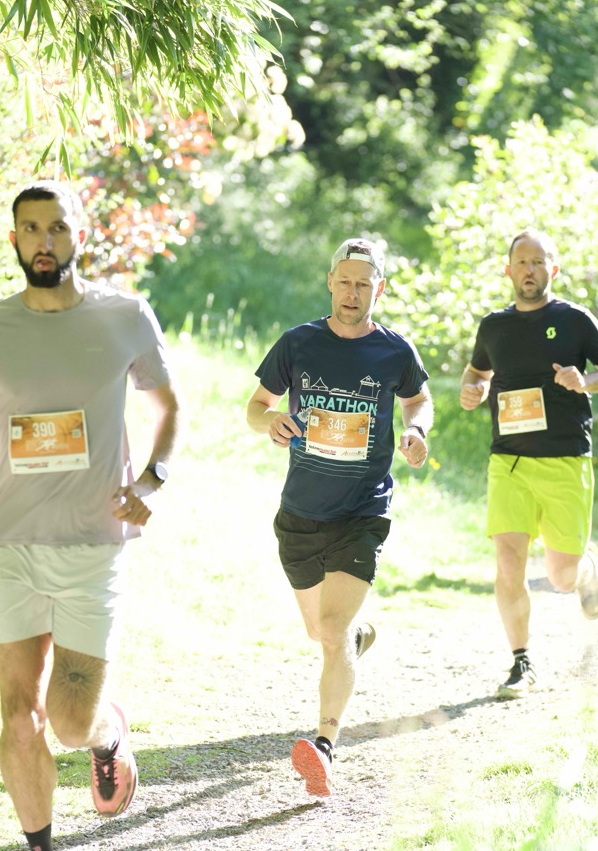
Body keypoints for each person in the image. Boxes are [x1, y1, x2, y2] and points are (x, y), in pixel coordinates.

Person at [0, 180, 179, 851]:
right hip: (11, 543)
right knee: (17, 714)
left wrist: (151, 480)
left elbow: (168, 409)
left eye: (57, 228)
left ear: (78, 236)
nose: (44, 241)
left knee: (67, 722)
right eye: (31, 229)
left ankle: (106, 733)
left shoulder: (125, 316)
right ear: (14, 240)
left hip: (94, 543)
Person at [245, 238, 433, 797]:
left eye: (364, 284)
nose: (353, 293)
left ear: (380, 289)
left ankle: (324, 746)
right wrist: (269, 421)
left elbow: (418, 399)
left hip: (362, 509)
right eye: (345, 281)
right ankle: (355, 639)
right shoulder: (297, 343)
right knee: (322, 631)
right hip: (301, 512)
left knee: (330, 631)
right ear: (330, 283)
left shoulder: (395, 350)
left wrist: (416, 429)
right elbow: (255, 407)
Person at [458, 229, 598, 699]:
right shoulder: (494, 325)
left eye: (538, 262)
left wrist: (585, 381)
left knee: (561, 577)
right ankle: (521, 662)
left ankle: (587, 569)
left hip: (565, 459)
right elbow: (477, 370)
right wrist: (474, 389)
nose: (529, 270)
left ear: (553, 268)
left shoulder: (573, 319)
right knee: (508, 563)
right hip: (508, 461)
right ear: (508, 270)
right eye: (521, 262)